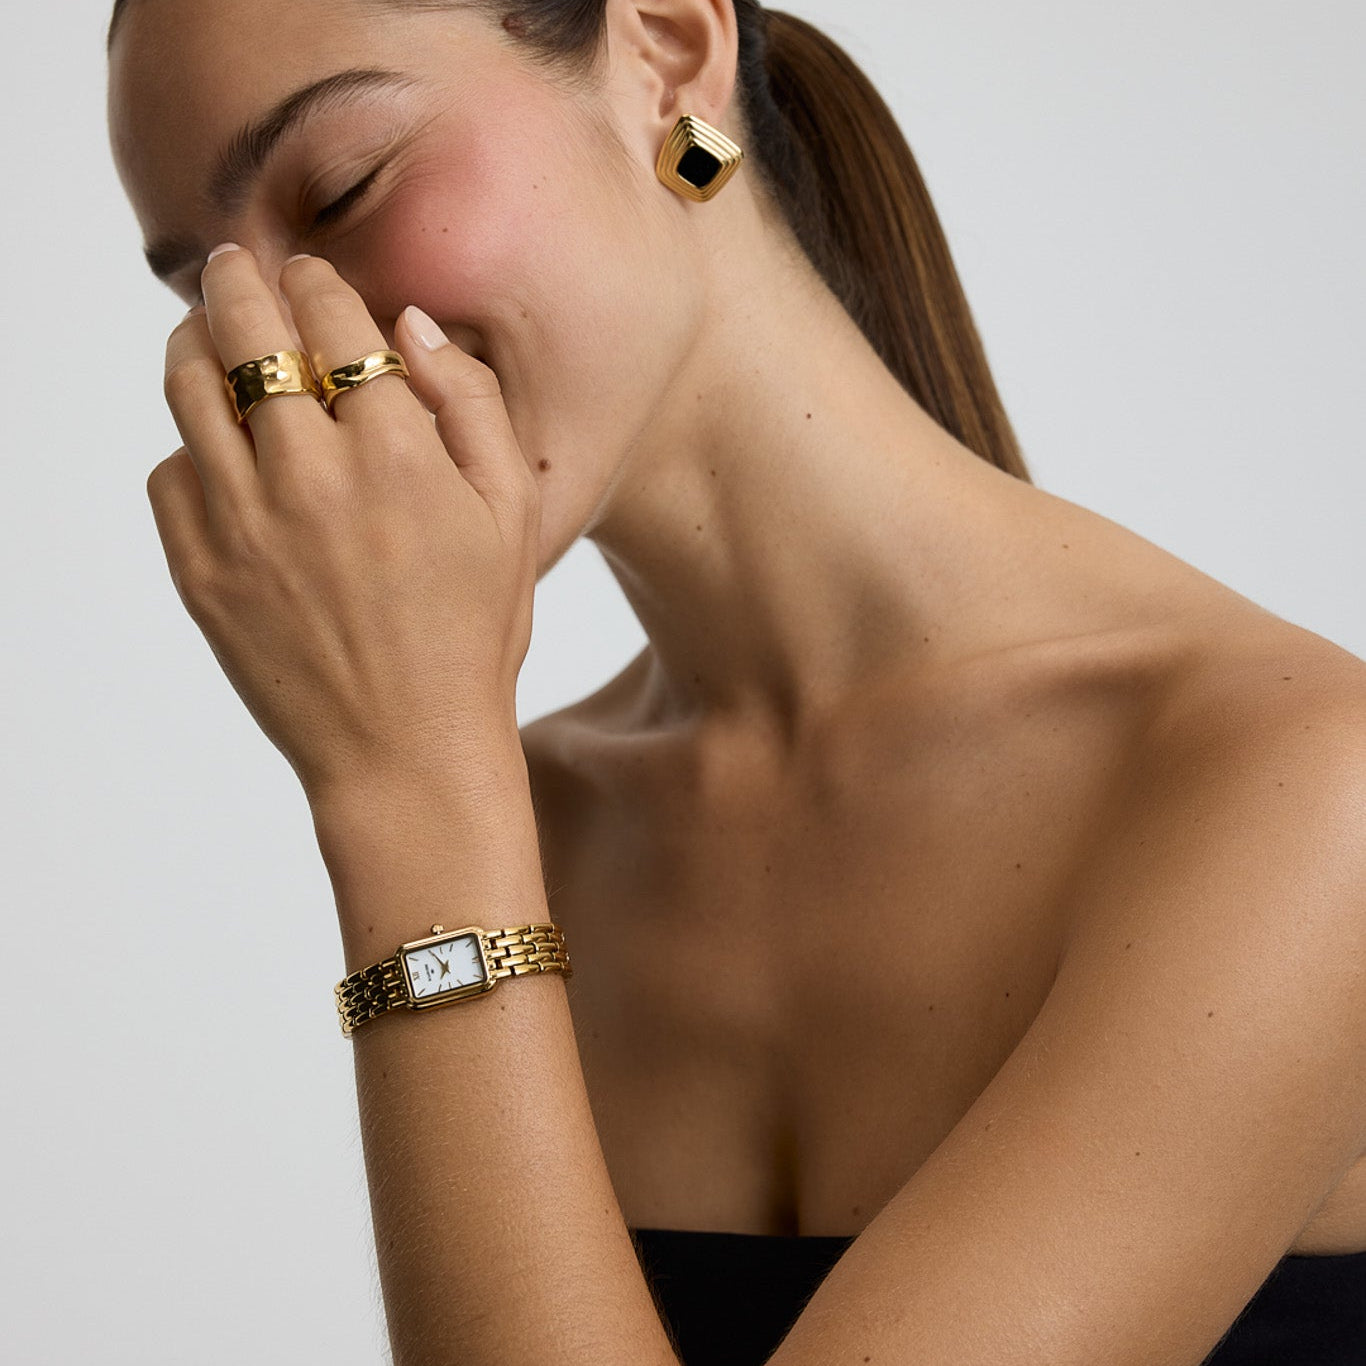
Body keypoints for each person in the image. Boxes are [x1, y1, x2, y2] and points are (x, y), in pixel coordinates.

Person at [105, 1, 1366, 1363]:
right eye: (206, 290)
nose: (280, 352)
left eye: (344, 188)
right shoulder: (523, 818)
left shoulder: (1299, 788)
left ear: (665, 49)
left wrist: (404, 789)